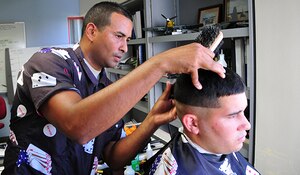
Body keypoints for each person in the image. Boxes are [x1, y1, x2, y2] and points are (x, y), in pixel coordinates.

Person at [2, 1, 225, 175]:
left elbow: (113, 156)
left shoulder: (105, 87)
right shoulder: (48, 61)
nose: (125, 48)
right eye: (119, 36)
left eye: (128, 39)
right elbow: (77, 125)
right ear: (91, 31)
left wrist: (152, 121)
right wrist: (160, 63)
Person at [148, 68, 260, 175]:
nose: (247, 125)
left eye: (243, 112)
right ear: (193, 124)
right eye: (233, 116)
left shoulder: (217, 144)